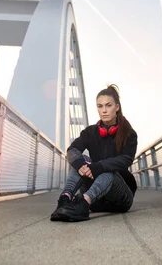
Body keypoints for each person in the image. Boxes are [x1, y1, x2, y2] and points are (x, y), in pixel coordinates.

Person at [50, 84, 138, 222]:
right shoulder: (90, 132)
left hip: (120, 199)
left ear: (117, 107)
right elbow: (72, 150)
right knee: (82, 158)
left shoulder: (129, 134)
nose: (104, 110)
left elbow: (126, 159)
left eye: (108, 105)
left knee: (108, 168)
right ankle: (65, 199)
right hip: (96, 202)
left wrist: (98, 167)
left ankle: (83, 204)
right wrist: (80, 164)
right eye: (100, 106)